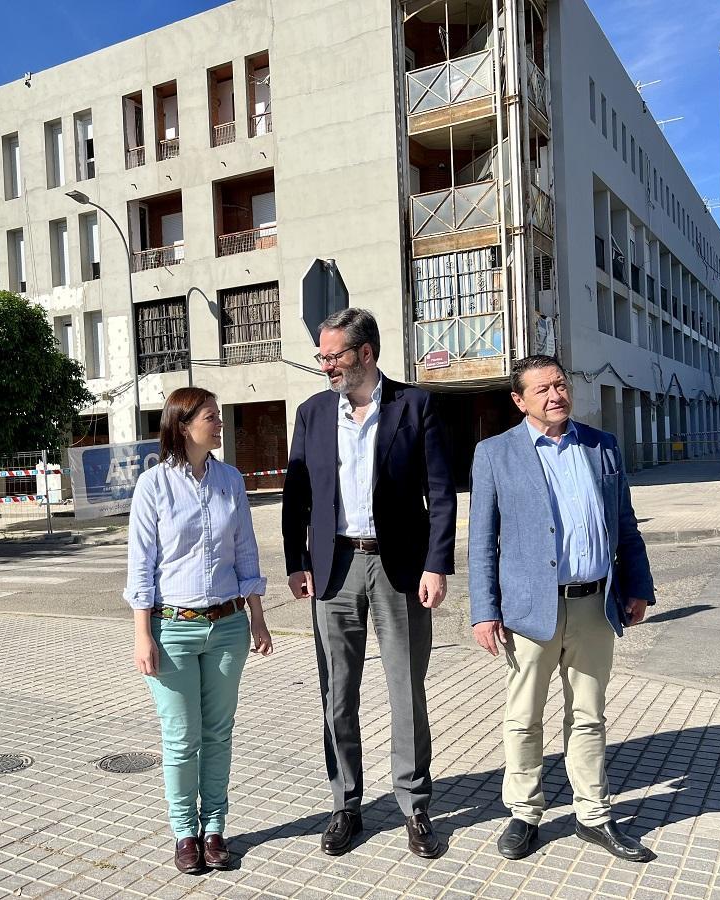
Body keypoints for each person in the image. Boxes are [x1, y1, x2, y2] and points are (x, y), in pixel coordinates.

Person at [282, 308, 457, 858]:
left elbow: (441, 492)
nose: (326, 365)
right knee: (337, 694)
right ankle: (346, 803)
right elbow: (297, 495)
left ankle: (415, 804)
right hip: (334, 570)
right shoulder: (311, 413)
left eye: (334, 355)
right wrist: (295, 561)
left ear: (365, 353)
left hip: (399, 567)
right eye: (322, 356)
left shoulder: (415, 405)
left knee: (407, 689)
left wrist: (437, 564)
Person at [468, 355, 656, 863]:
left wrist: (637, 587)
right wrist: (484, 610)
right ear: (519, 400)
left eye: (561, 384)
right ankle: (524, 814)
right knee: (524, 717)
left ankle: (593, 815)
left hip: (595, 603)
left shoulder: (602, 446)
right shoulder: (494, 454)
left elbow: (626, 525)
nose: (556, 396)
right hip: (530, 612)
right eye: (543, 389)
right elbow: (482, 542)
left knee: (589, 716)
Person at [124, 386, 274, 874]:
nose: (220, 422)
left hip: (228, 626)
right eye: (211, 416)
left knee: (218, 733)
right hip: (172, 629)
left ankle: (215, 828)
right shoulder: (154, 485)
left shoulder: (230, 480)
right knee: (180, 736)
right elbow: (141, 565)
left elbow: (246, 552)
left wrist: (257, 614)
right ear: (183, 425)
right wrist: (142, 634)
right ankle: (184, 832)